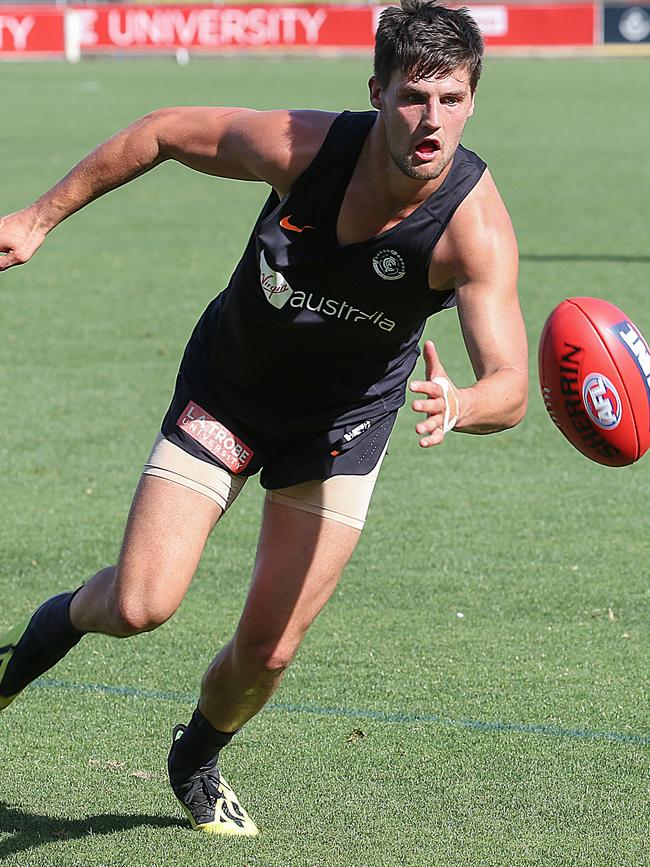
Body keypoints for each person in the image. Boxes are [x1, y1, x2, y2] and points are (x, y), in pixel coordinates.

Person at [0, 0, 527, 837]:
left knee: (269, 652)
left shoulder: (473, 231)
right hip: (230, 390)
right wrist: (35, 219)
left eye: (453, 99)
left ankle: (197, 756)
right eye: (413, 97)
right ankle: (24, 654)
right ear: (377, 93)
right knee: (139, 604)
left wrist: (462, 403)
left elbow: (513, 386)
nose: (433, 121)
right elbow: (164, 129)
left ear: (472, 100)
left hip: (340, 430)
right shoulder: (303, 148)